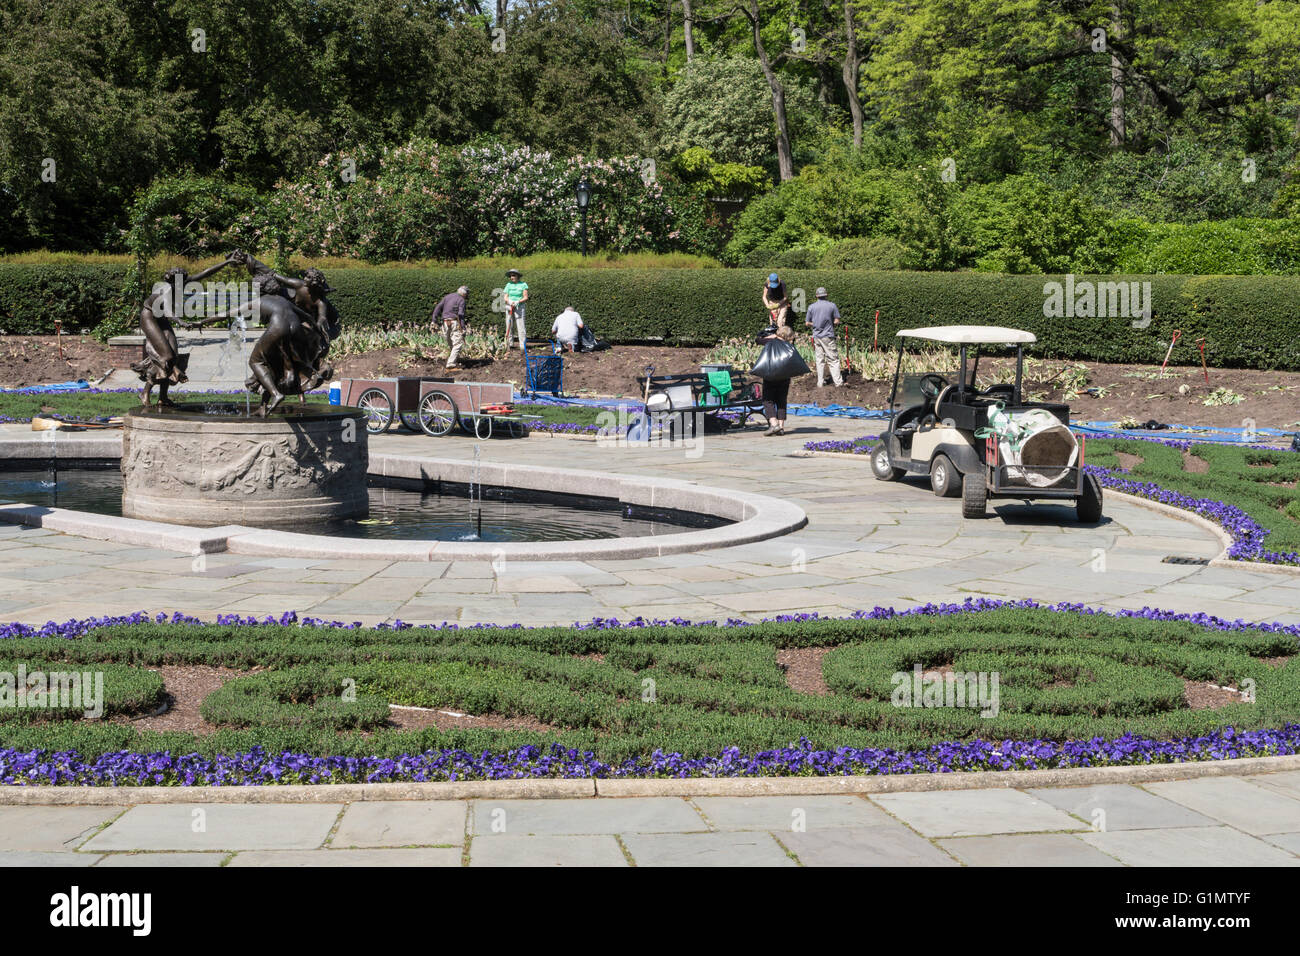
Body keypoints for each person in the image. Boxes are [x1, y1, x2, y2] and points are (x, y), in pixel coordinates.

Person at [756, 323, 796, 437]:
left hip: (771, 375)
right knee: (781, 401)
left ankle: (773, 425)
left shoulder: (770, 342)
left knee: (768, 400)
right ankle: (781, 427)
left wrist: (772, 336)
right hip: (785, 377)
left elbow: (758, 339)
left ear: (778, 333)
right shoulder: (789, 345)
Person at [804, 286, 844, 387]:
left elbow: (807, 323)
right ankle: (838, 383)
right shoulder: (832, 306)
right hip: (828, 336)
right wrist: (831, 323)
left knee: (819, 360)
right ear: (826, 295)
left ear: (817, 296)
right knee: (833, 359)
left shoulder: (811, 307)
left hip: (817, 336)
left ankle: (820, 382)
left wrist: (816, 324)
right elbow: (837, 320)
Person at [432, 285, 470, 370]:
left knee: (452, 343)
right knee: (458, 343)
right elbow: (461, 315)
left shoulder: (448, 296)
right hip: (455, 322)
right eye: (467, 294)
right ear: (464, 294)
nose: (468, 296)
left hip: (445, 323)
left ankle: (454, 359)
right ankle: (451, 364)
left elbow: (438, 307)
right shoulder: (461, 300)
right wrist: (463, 328)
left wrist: (434, 320)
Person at [502, 268, 528, 349]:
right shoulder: (508, 285)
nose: (511, 277)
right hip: (510, 306)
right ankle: (510, 344)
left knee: (521, 326)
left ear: (518, 276)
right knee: (509, 324)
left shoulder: (523, 285)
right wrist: (509, 301)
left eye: (513, 275)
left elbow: (526, 297)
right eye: (510, 276)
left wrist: (518, 301)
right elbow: (505, 297)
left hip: (519, 307)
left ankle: (522, 345)